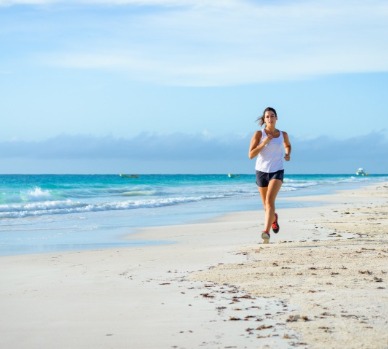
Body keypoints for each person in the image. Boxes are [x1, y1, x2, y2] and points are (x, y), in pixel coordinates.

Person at [248, 107, 291, 243]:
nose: (270, 118)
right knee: (265, 206)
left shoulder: (283, 134)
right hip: (261, 171)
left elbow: (288, 145)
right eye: (267, 116)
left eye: (272, 116)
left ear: (276, 118)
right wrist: (264, 143)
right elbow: (251, 155)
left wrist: (288, 153)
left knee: (269, 201)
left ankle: (266, 231)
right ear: (264, 119)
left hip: (277, 171)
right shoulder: (259, 134)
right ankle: (274, 218)